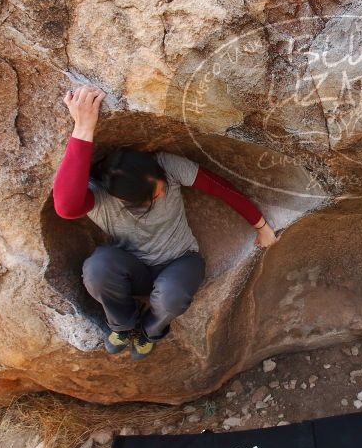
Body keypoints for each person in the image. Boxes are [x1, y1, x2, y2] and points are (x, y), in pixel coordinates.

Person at [53, 85, 279, 360]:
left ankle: (150, 330)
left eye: (160, 186)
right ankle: (123, 325)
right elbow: (65, 206)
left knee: (172, 296)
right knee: (97, 268)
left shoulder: (167, 167)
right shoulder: (99, 194)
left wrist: (261, 226)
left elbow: (222, 189)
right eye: (153, 196)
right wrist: (83, 128)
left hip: (179, 261)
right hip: (131, 268)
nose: (161, 193)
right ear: (124, 198)